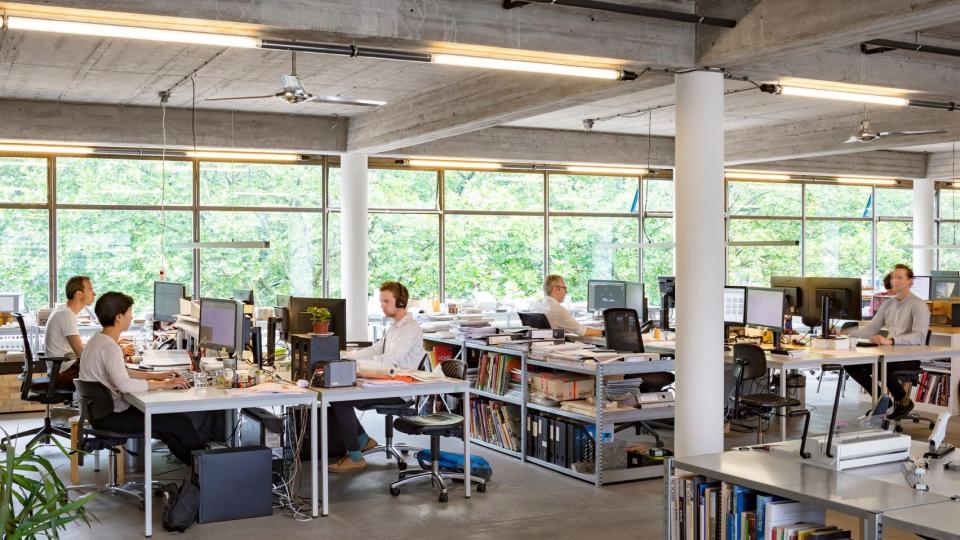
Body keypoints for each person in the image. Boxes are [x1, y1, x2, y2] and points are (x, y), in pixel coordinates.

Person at [78, 291, 205, 464]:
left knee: (169, 424)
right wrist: (167, 384)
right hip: (114, 418)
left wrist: (159, 376)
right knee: (179, 422)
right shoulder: (110, 347)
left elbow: (122, 372)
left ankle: (196, 467)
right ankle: (206, 467)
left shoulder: (97, 340)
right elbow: (125, 385)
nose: (131, 317)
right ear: (119, 317)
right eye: (130, 313)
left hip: (101, 414)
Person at [328, 281, 426, 472]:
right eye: (381, 301)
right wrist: (346, 356)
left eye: (386, 301)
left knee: (341, 398)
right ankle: (363, 440)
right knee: (338, 394)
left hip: (400, 390)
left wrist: (359, 364)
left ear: (400, 302)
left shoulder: (410, 328)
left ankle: (356, 457)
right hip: (387, 383)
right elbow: (376, 349)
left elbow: (391, 359)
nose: (382, 305)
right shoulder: (395, 327)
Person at [843, 264, 930, 420]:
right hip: (891, 354)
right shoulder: (888, 304)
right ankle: (883, 401)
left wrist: (891, 340)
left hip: (909, 357)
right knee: (851, 364)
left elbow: (919, 336)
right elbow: (871, 329)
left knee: (883, 365)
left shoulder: (918, 304)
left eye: (899, 277)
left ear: (910, 281)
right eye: (892, 277)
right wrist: (845, 333)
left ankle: (904, 401)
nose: (894, 280)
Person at [44, 275, 95, 387]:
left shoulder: (63, 310)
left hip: (60, 369)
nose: (94, 294)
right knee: (106, 371)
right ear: (79, 294)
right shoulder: (67, 315)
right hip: (64, 373)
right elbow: (81, 353)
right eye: (91, 289)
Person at [530, 274, 602, 337]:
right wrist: (604, 332)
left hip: (540, 348)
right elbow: (583, 332)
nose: (566, 291)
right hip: (554, 348)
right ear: (555, 289)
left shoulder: (536, 305)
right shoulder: (557, 309)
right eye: (564, 288)